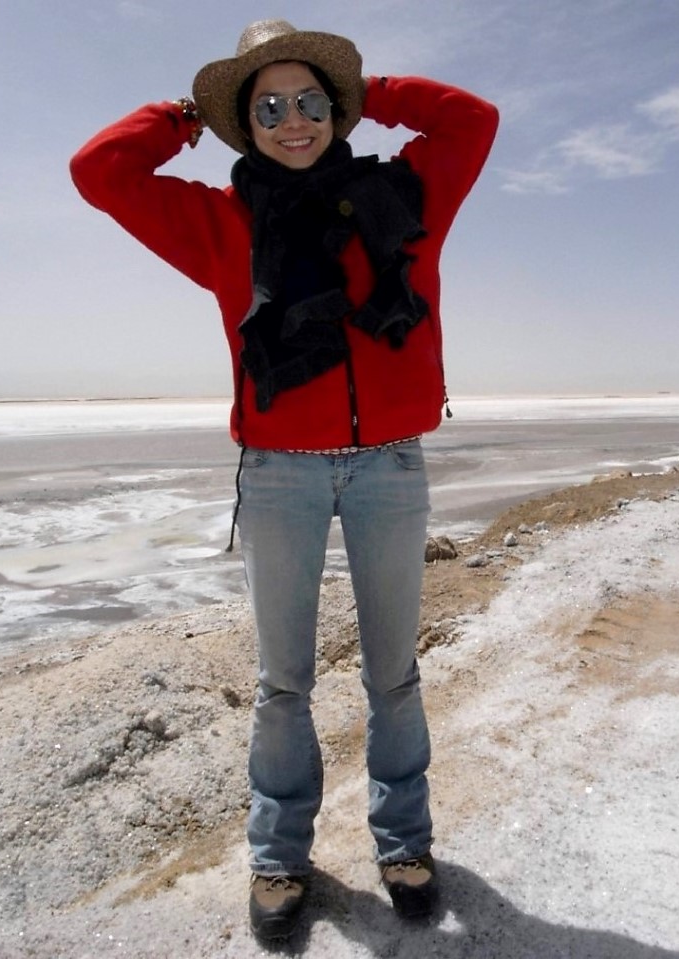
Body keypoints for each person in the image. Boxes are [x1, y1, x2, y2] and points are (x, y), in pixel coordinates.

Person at [70, 19, 498, 941]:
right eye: (266, 107)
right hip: (277, 477)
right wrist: (188, 113)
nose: (292, 120)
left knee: (393, 672)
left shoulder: (405, 196)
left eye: (311, 101)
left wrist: (369, 87)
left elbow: (472, 119)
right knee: (282, 683)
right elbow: (99, 171)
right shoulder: (222, 223)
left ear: (335, 111)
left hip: (389, 465)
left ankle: (403, 844)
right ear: (245, 123)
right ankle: (278, 856)